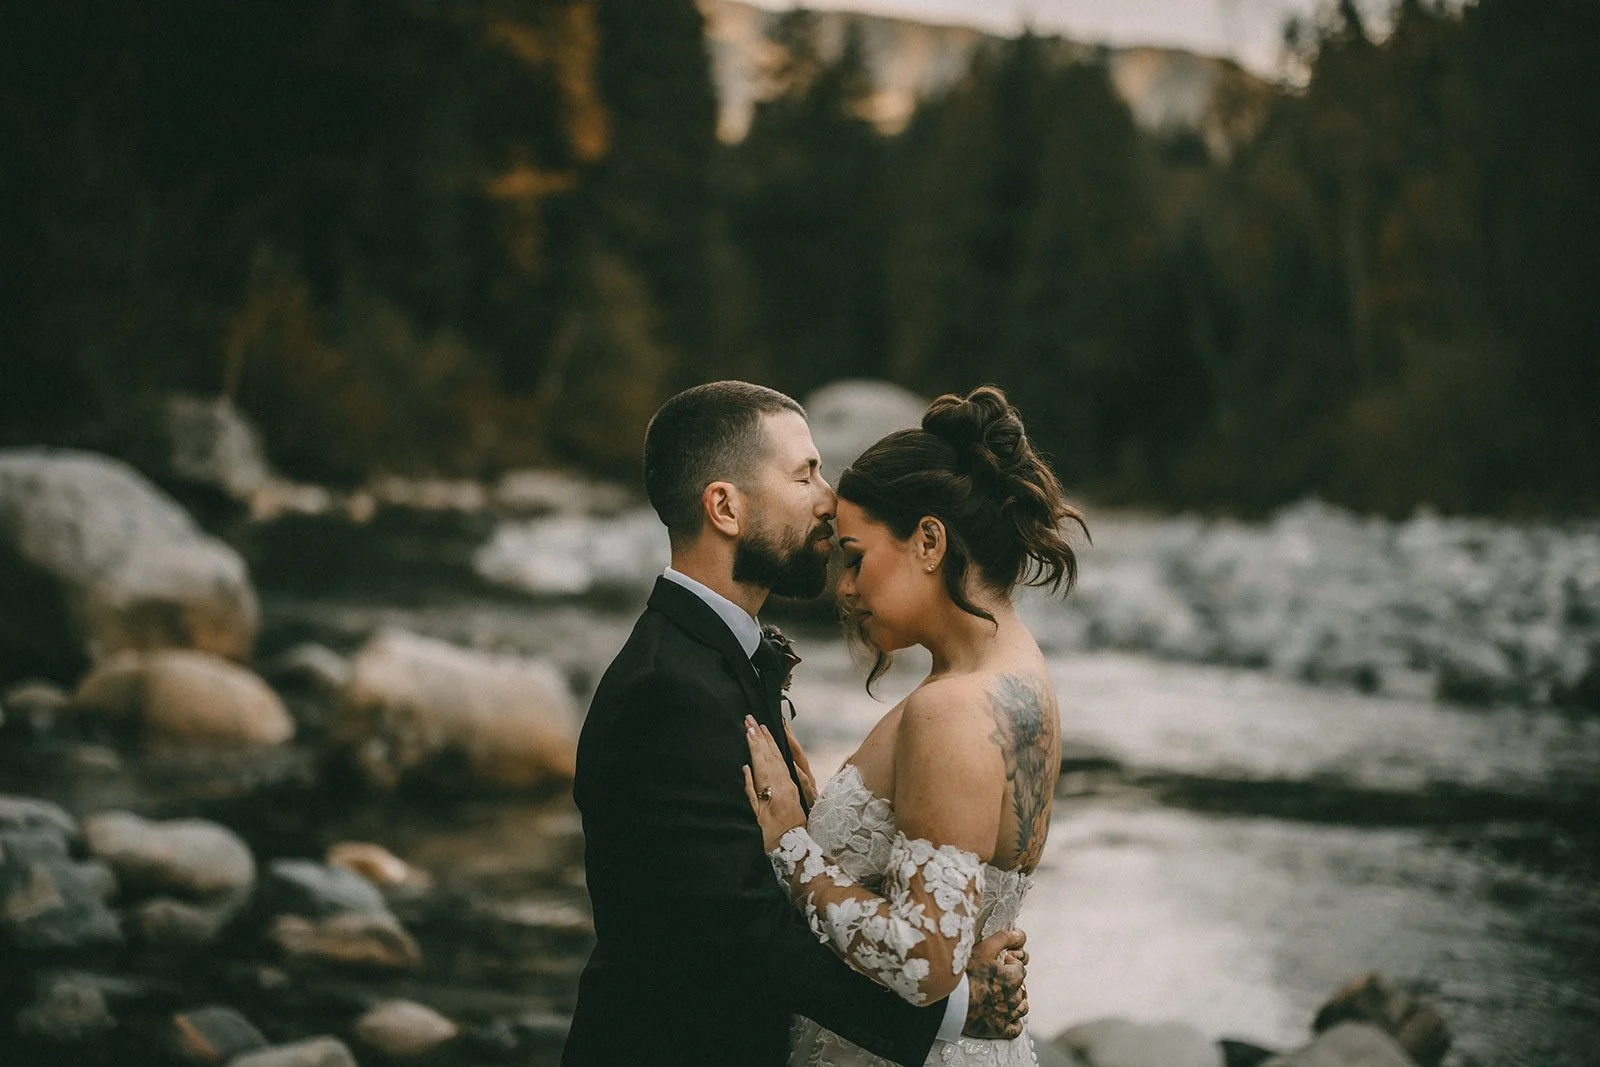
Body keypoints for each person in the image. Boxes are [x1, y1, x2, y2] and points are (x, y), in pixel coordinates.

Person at [563, 382, 1029, 1067]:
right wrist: (954, 1008)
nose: (829, 500)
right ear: (725, 507)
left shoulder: (714, 657)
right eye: (805, 474)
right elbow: (742, 928)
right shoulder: (666, 688)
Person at [743, 385, 1086, 1067]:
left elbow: (924, 959)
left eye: (856, 557)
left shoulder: (951, 708)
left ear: (929, 540)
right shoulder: (1020, 674)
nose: (844, 588)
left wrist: (791, 846)